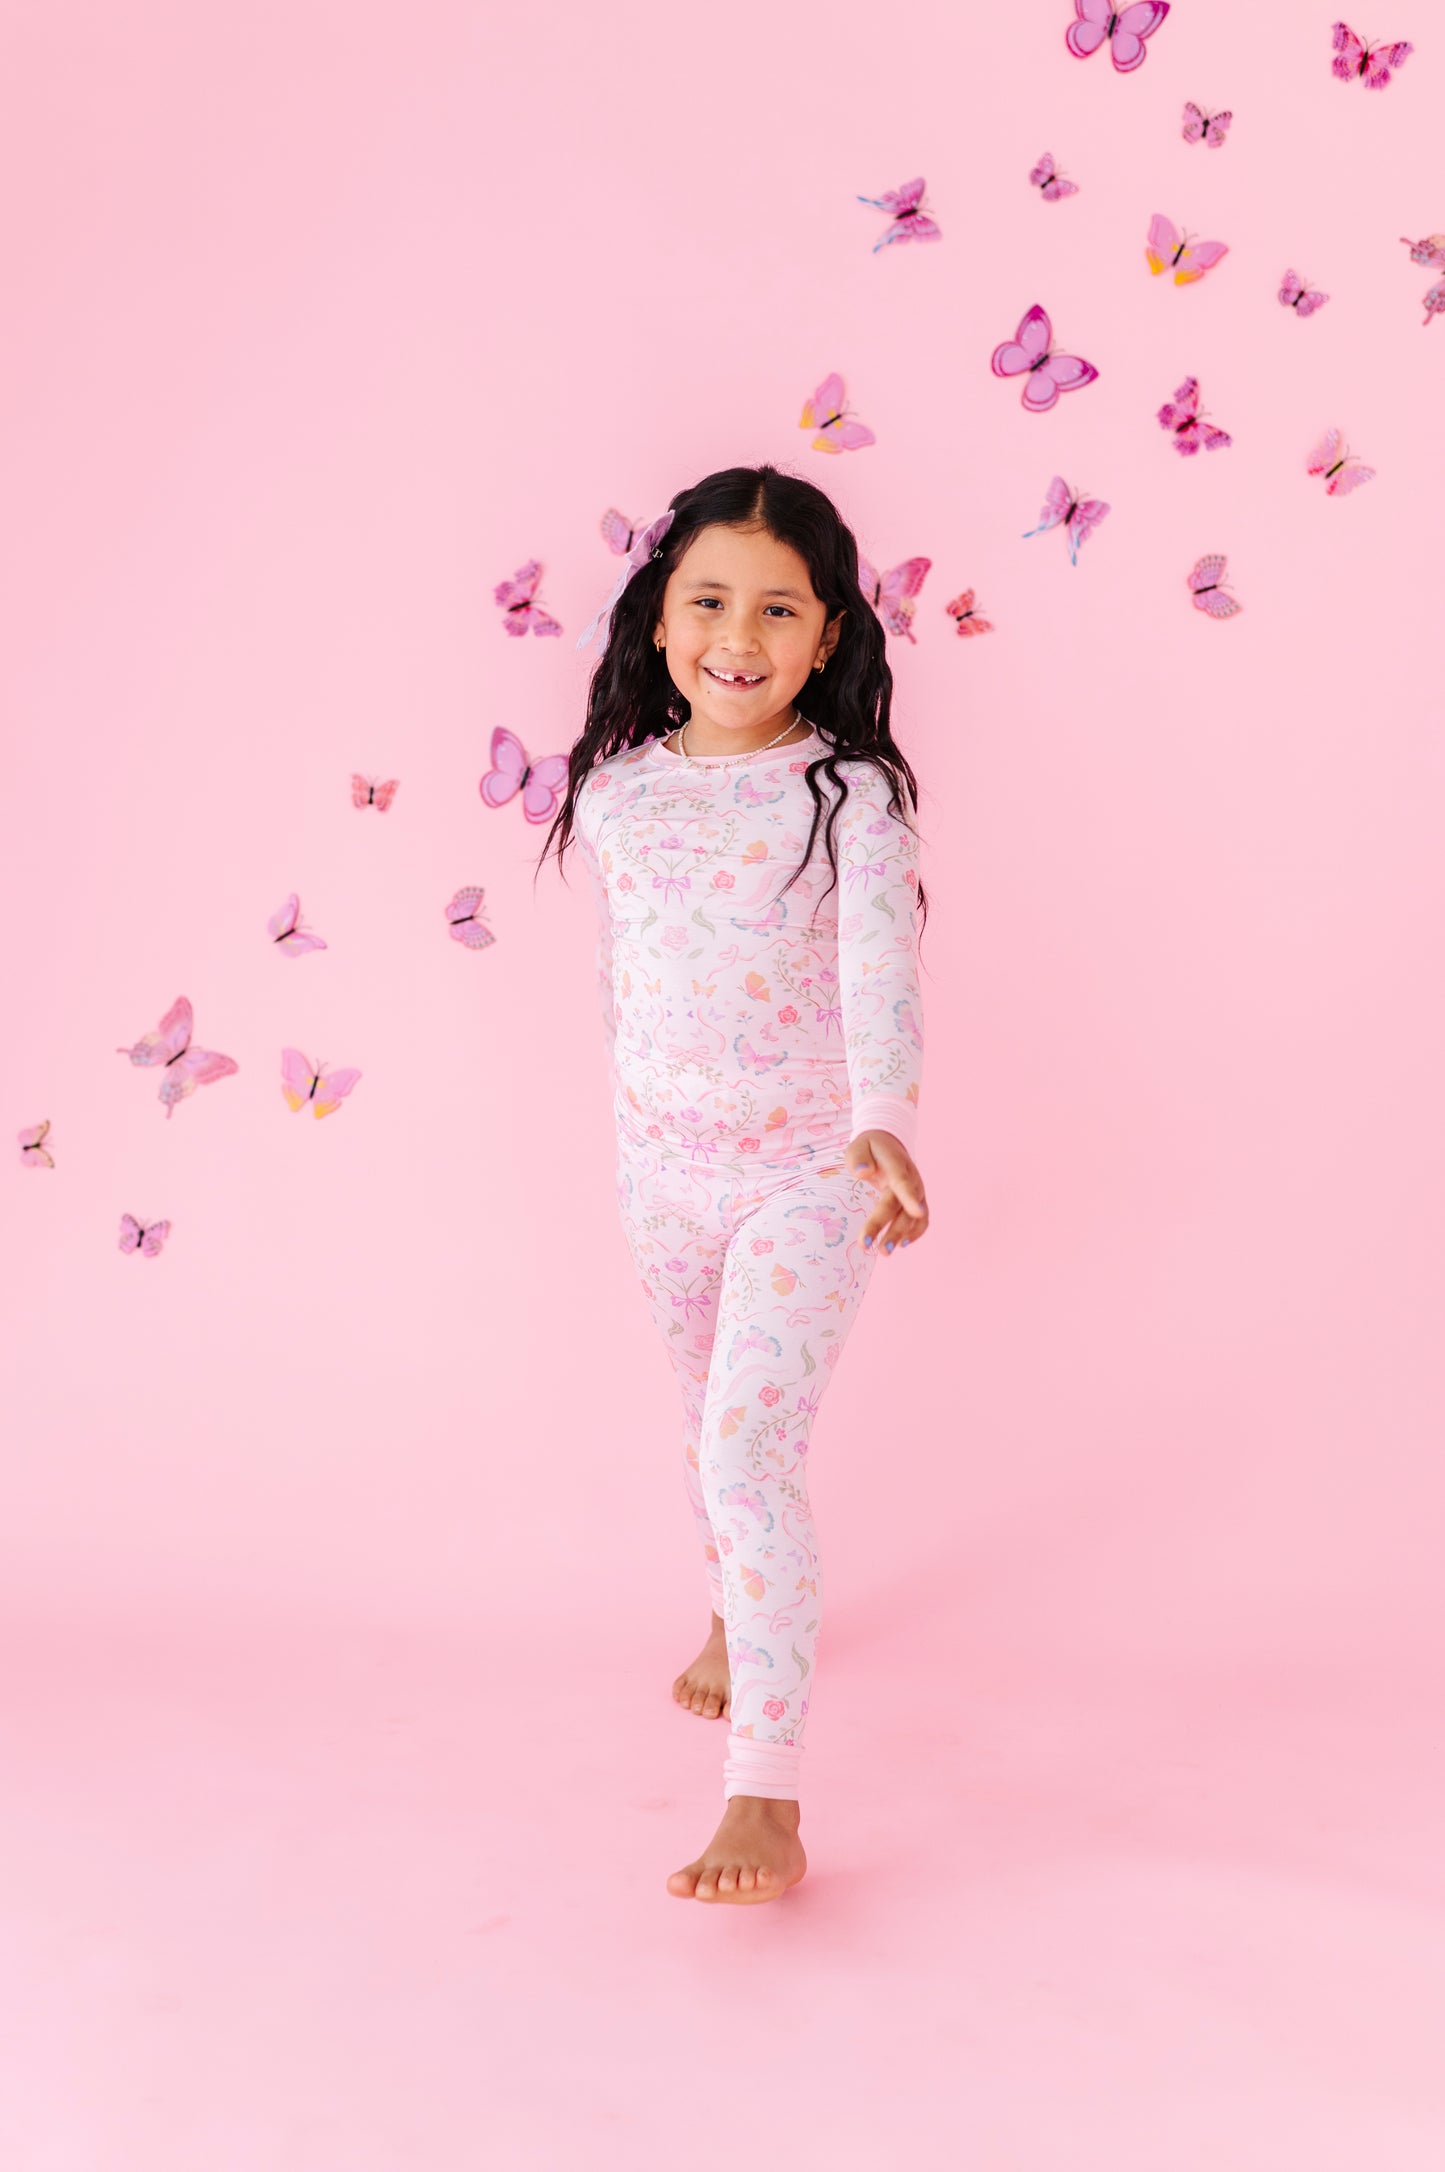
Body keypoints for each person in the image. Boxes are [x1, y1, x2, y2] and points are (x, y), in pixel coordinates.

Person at [541, 463, 930, 1903]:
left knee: (746, 1452)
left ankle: (764, 1795)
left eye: (778, 609)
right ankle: (732, 1609)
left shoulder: (848, 794)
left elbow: (877, 963)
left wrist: (885, 1119)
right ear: (659, 619)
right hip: (662, 1172)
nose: (738, 635)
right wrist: (640, 1132)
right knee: (704, 1421)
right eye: (709, 600)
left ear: (826, 637)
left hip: (811, 1174)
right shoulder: (616, 794)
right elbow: (626, 984)